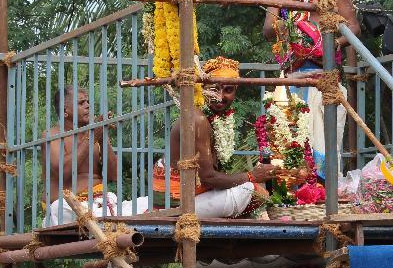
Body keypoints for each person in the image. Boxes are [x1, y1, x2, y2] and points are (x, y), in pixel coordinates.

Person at [262, 0, 361, 175]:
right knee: (287, 148)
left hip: (322, 78)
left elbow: (354, 27)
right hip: (289, 79)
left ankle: (323, 202)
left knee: (322, 147)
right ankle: (292, 205)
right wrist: (292, 31)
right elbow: (267, 30)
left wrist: (330, 44)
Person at [156, 56, 277, 218]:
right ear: (203, 88)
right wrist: (252, 176)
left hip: (189, 197)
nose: (220, 97)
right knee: (252, 191)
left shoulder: (211, 117)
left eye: (228, 90)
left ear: (235, 91)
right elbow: (208, 178)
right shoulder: (198, 119)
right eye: (214, 89)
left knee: (251, 189)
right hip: (174, 204)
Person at [40, 88, 144, 226]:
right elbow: (63, 172)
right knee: (61, 208)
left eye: (87, 102)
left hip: (101, 202)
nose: (88, 105)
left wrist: (102, 138)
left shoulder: (95, 132)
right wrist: (92, 137)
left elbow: (115, 175)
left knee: (146, 203)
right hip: (68, 207)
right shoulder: (52, 135)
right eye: (81, 103)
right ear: (65, 111)